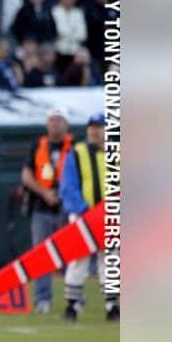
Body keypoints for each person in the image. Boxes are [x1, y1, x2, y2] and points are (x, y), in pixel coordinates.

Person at [60, 114, 119, 322]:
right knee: (78, 260)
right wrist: (85, 212)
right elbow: (68, 186)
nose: (95, 131)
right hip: (83, 217)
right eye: (92, 127)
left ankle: (112, 306)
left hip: (110, 216)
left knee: (110, 260)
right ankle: (72, 306)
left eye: (99, 127)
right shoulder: (77, 153)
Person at [21, 108, 72, 313]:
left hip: (67, 207)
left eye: (59, 120)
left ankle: (74, 299)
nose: (55, 124)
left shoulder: (75, 147)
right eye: (52, 120)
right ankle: (43, 300)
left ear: (66, 124)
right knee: (41, 256)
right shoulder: (37, 146)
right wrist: (44, 192)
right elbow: (26, 174)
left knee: (72, 256)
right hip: (41, 206)